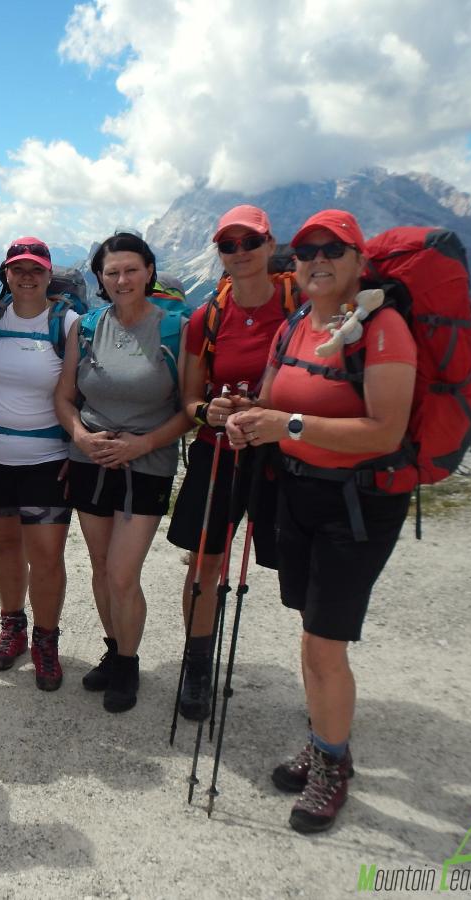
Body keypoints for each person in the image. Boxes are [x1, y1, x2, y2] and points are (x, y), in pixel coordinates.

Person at [226, 209, 416, 834]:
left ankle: (332, 761)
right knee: (311, 630)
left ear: (360, 261)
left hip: (357, 504)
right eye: (306, 251)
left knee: (324, 643)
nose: (316, 260)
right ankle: (323, 740)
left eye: (333, 250)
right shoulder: (298, 325)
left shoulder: (382, 329)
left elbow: (385, 429)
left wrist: (288, 427)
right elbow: (273, 403)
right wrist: (246, 418)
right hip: (300, 493)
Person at [54, 232, 191, 713]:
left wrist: (144, 443)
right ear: (100, 279)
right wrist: (81, 437)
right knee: (99, 566)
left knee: (121, 571)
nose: (122, 279)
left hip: (146, 465)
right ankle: (114, 651)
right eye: (112, 272)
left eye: (131, 269)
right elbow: (65, 397)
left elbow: (189, 409)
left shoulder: (177, 330)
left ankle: (128, 663)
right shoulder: (87, 328)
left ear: (149, 271)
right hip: (90, 459)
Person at [166, 205, 292, 720]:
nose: (239, 252)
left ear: (269, 245)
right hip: (217, 453)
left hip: (283, 457)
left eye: (250, 242)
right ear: (218, 251)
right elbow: (189, 401)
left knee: (300, 566)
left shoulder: (301, 306)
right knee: (204, 563)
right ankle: (197, 667)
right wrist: (209, 412)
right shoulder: (207, 317)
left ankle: (322, 673)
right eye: (228, 244)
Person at [0, 237, 78, 690]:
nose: (26, 277)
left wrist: (78, 448)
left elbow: (79, 390)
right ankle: (12, 626)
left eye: (35, 270)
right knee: (7, 543)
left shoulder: (67, 323)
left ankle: (45, 640)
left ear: (49, 275)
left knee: (47, 555)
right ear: (6, 275)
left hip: (47, 459)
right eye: (18, 269)